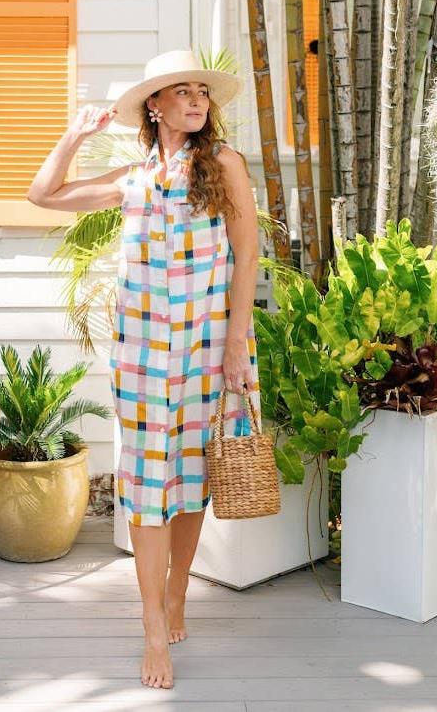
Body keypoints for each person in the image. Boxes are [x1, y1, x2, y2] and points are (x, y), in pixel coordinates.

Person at [26, 50, 262, 690]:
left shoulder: (224, 165)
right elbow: (43, 194)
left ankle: (177, 592)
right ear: (153, 106)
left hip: (210, 346)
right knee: (147, 479)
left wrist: (236, 344)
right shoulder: (133, 178)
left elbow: (246, 257)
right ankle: (153, 623)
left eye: (201, 92)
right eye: (181, 91)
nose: (196, 100)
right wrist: (75, 136)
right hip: (142, 354)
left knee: (192, 476)